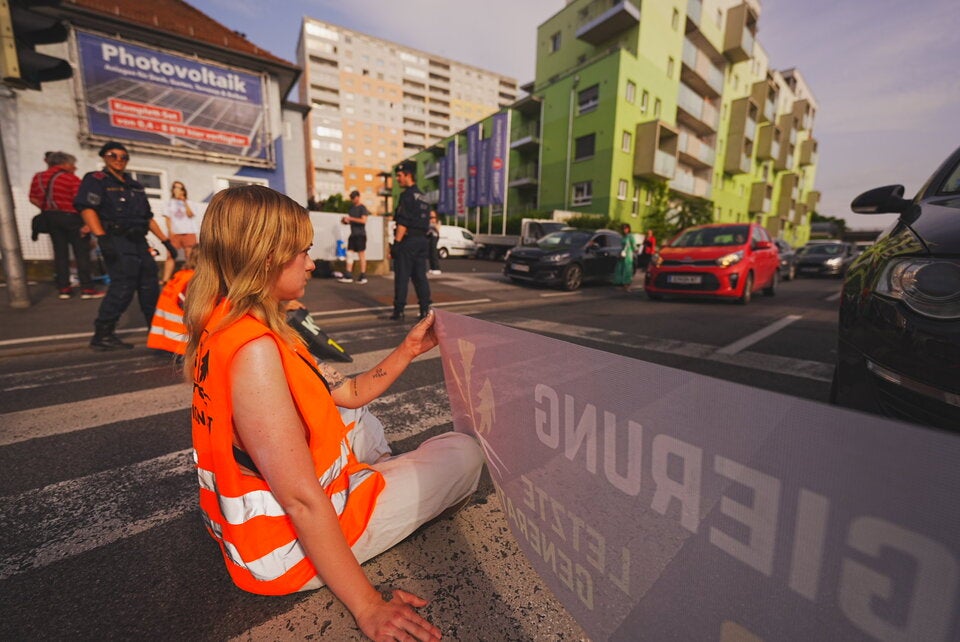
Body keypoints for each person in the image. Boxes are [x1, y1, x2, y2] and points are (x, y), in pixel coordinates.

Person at [184, 185, 483, 640]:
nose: (311, 263)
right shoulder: (256, 352)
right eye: (302, 252)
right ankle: (381, 497)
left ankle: (382, 484)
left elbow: (350, 394)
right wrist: (368, 606)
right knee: (464, 452)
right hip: (283, 549)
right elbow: (301, 500)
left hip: (253, 523)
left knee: (355, 418)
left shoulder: (228, 322)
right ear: (266, 257)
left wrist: (408, 349)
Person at [75, 141, 178, 351]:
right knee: (123, 285)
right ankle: (103, 335)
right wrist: (102, 238)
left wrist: (166, 241)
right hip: (116, 239)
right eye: (113, 155)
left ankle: (157, 333)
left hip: (139, 240)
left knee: (150, 286)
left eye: (123, 157)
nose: (119, 160)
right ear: (104, 157)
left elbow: (147, 217)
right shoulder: (96, 180)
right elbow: (87, 209)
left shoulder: (135, 185)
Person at [29, 151, 103, 300]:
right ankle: (87, 288)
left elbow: (33, 198)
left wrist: (48, 207)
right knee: (82, 253)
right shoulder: (70, 179)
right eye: (72, 164)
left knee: (60, 254)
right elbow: (81, 202)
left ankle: (64, 288)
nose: (75, 168)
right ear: (64, 164)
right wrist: (87, 223)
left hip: (51, 217)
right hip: (73, 217)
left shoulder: (38, 177)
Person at [390, 160, 432, 321]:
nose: (397, 179)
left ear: (408, 175)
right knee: (420, 277)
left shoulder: (407, 195)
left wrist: (396, 244)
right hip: (422, 241)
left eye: (399, 175)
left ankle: (399, 310)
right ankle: (424, 309)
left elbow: (403, 222)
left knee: (402, 276)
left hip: (408, 241)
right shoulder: (424, 196)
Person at [146, 251, 196, 355]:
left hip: (164, 338)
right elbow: (189, 305)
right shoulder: (192, 279)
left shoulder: (181, 275)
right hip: (179, 342)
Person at [161, 181, 199, 284]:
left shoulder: (190, 202)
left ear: (184, 190)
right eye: (176, 187)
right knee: (170, 255)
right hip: (175, 233)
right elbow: (167, 218)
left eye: (181, 188)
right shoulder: (169, 203)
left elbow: (190, 214)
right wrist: (170, 232)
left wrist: (184, 202)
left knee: (190, 255)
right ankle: (165, 279)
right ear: (173, 189)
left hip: (189, 231)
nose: (178, 190)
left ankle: (192, 278)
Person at [337, 190, 369, 284]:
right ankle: (348, 275)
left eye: (353, 197)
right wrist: (345, 221)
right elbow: (351, 222)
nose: (352, 199)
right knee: (349, 253)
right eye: (351, 198)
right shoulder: (351, 208)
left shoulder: (362, 208)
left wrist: (351, 218)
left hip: (361, 235)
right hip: (353, 234)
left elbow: (363, 221)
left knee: (361, 254)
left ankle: (363, 276)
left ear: (358, 197)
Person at [613, 222, 637, 291]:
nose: (624, 230)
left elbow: (634, 246)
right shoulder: (624, 237)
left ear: (628, 229)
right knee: (621, 269)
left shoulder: (630, 236)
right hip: (623, 255)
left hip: (628, 255)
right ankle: (622, 284)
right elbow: (622, 246)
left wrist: (635, 251)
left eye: (626, 228)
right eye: (623, 229)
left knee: (627, 269)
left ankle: (627, 285)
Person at [426, 211, 441, 275]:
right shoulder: (427, 220)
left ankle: (436, 268)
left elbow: (438, 228)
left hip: (434, 236)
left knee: (433, 252)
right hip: (428, 236)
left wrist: (433, 224)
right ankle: (432, 268)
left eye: (433, 214)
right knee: (430, 253)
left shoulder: (438, 221)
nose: (431, 215)